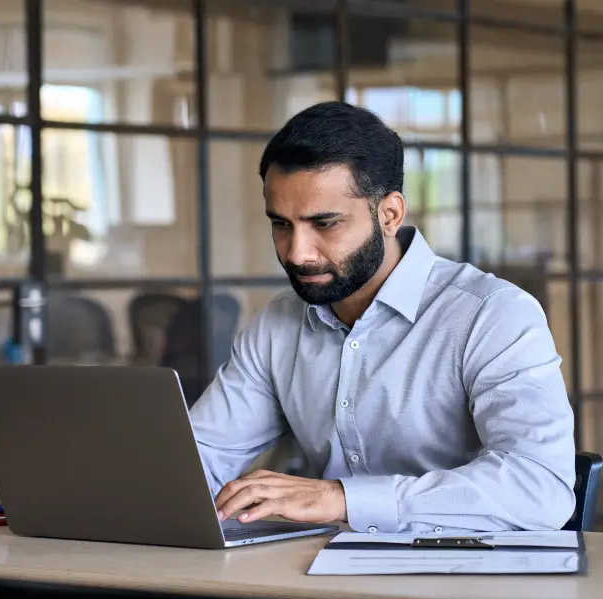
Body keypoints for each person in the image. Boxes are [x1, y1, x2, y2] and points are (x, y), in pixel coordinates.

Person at [188, 101, 576, 534]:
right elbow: (197, 460)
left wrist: (339, 498)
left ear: (389, 214)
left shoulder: (493, 315)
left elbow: (540, 488)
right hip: (316, 577)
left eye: (325, 224)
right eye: (281, 225)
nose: (296, 252)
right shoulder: (277, 325)